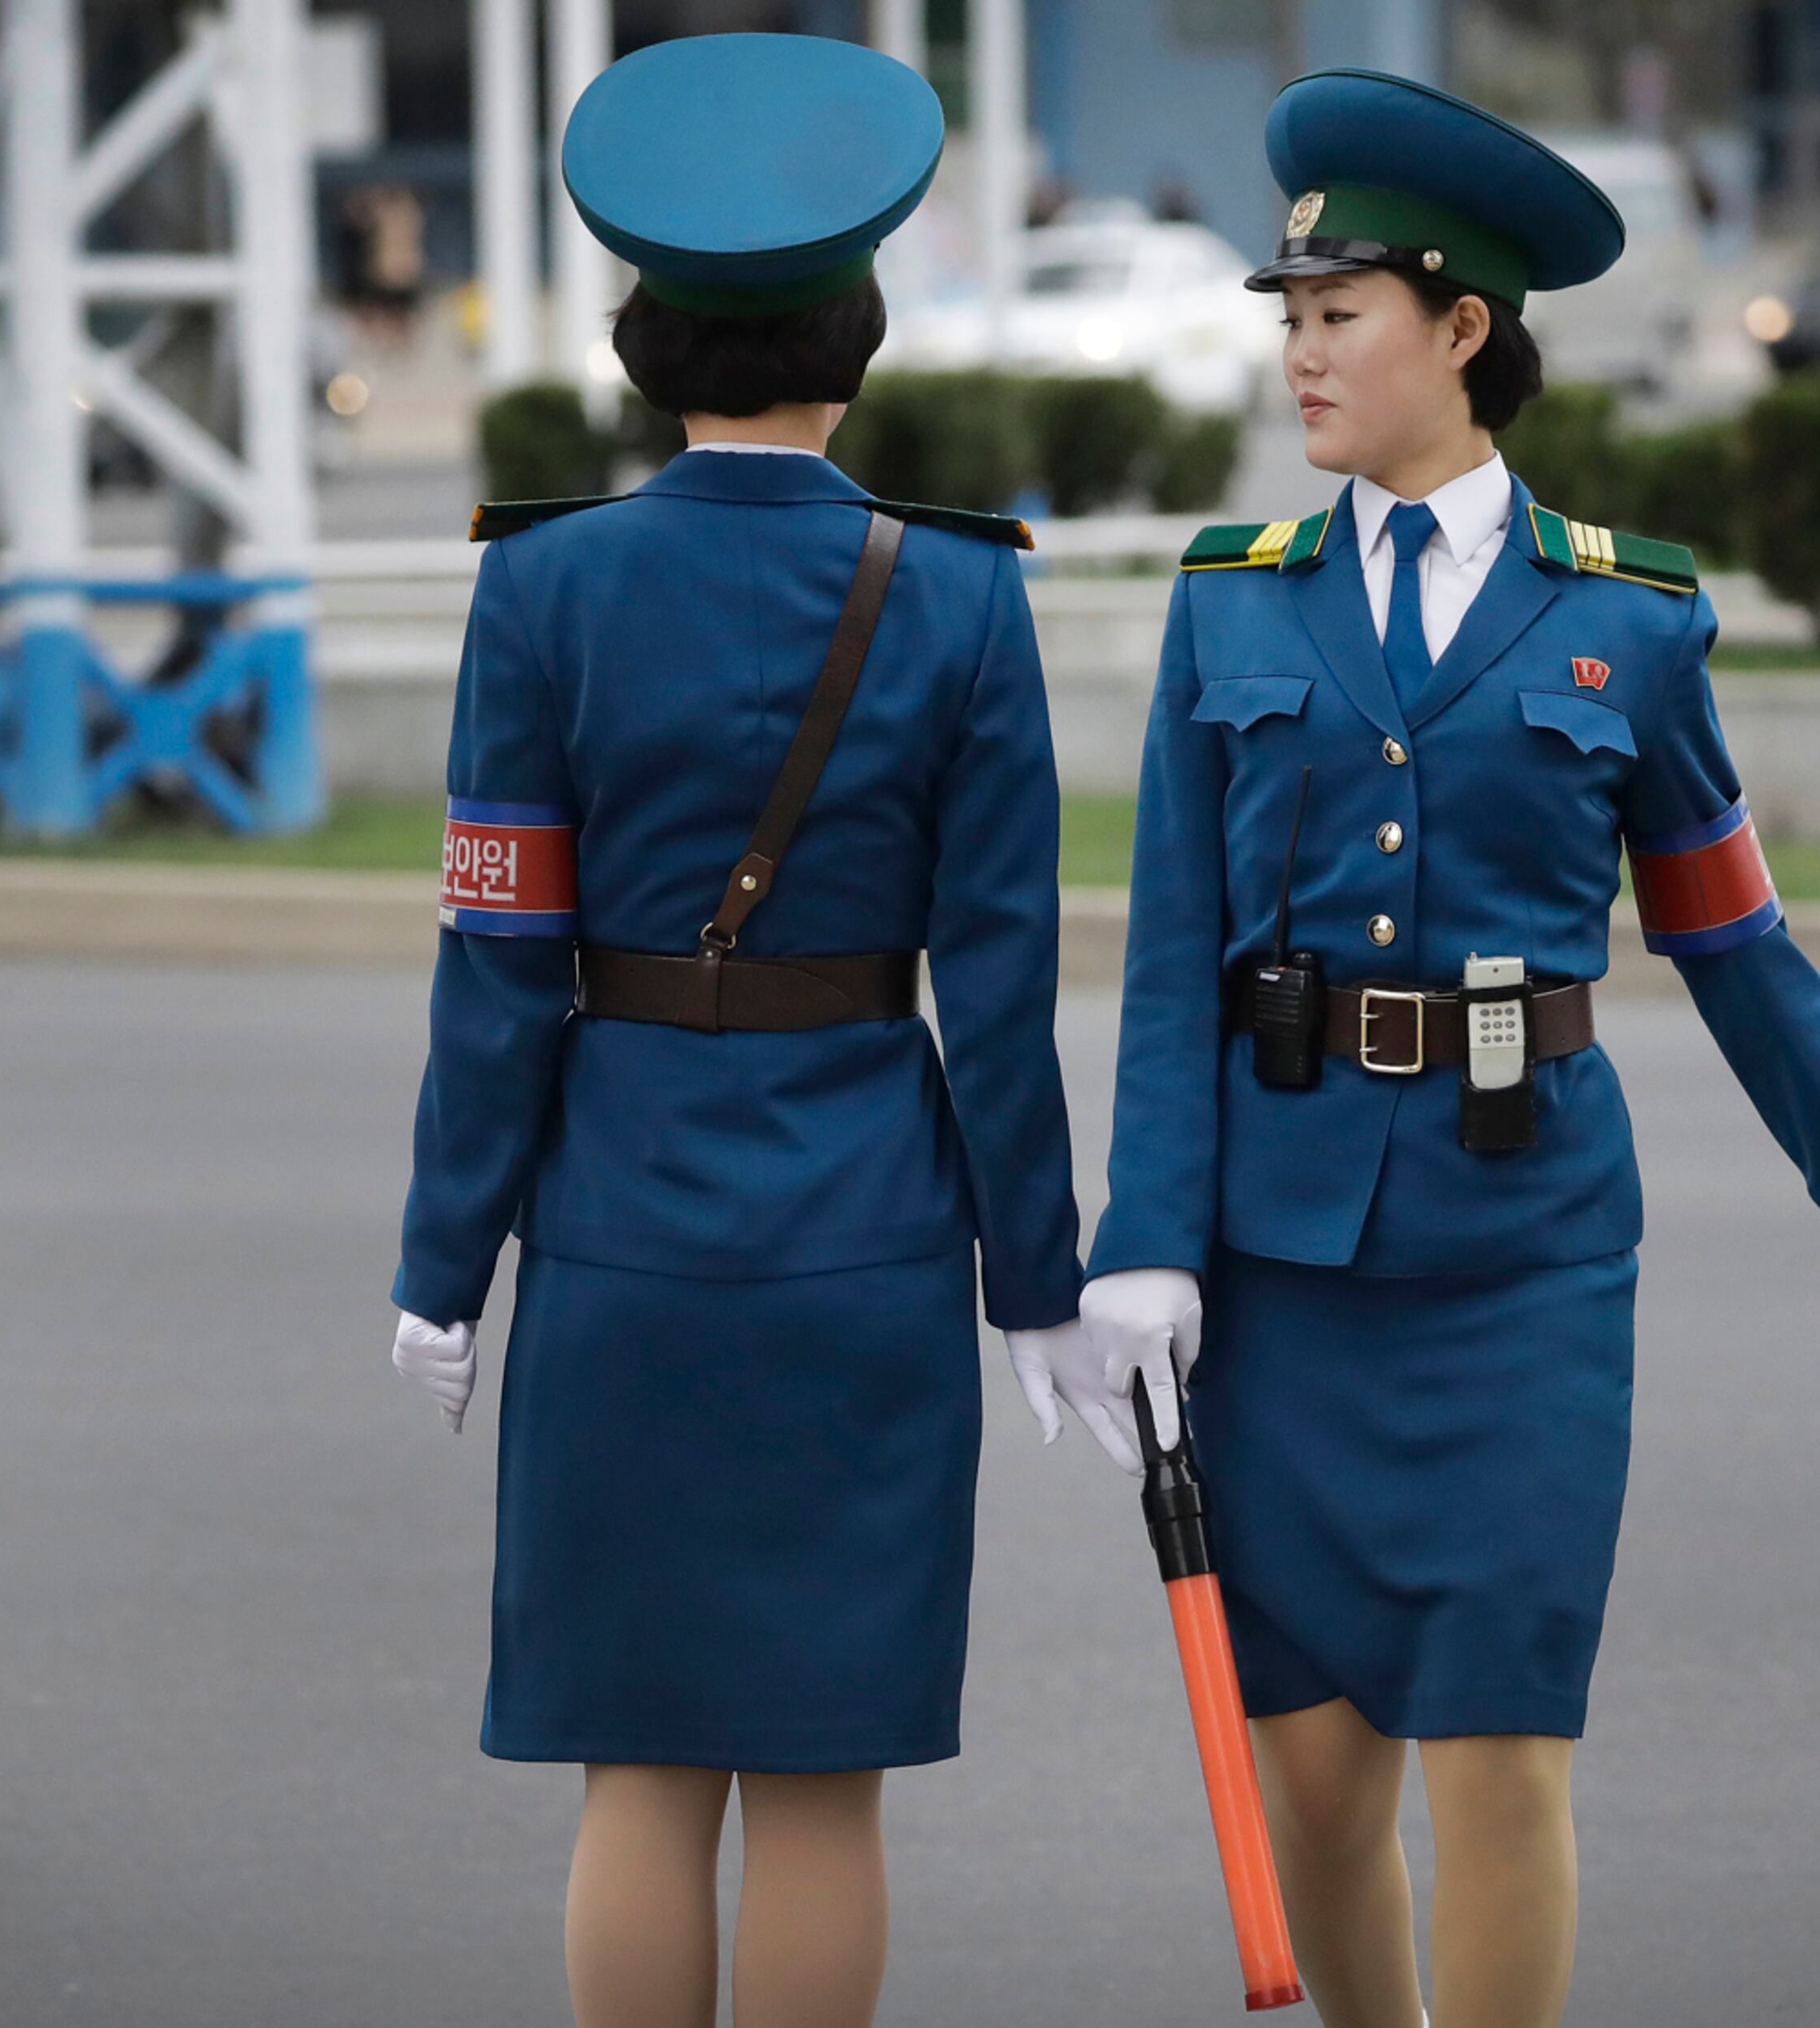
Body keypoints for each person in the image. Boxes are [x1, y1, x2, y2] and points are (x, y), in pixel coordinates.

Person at [1070, 69, 1820, 2028]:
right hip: (1283, 1259)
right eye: (1290, 319)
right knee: (1316, 1775)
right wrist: (1142, 1235)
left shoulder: (1629, 622)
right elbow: (1167, 959)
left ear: (1465, 331)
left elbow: (1732, 936)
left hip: (1523, 1255)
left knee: (1501, 1742)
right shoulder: (1230, 610)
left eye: (1343, 317)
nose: (1301, 355)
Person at [385, 34, 1126, 2028]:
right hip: (867, 1241)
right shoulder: (961, 600)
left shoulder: (541, 585)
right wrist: (1039, 1277)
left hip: (618, 1231)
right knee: (820, 1771)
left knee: (641, 1763)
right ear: (859, 334)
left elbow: (498, 958)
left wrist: (447, 1258)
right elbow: (1000, 982)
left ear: (639, 345)